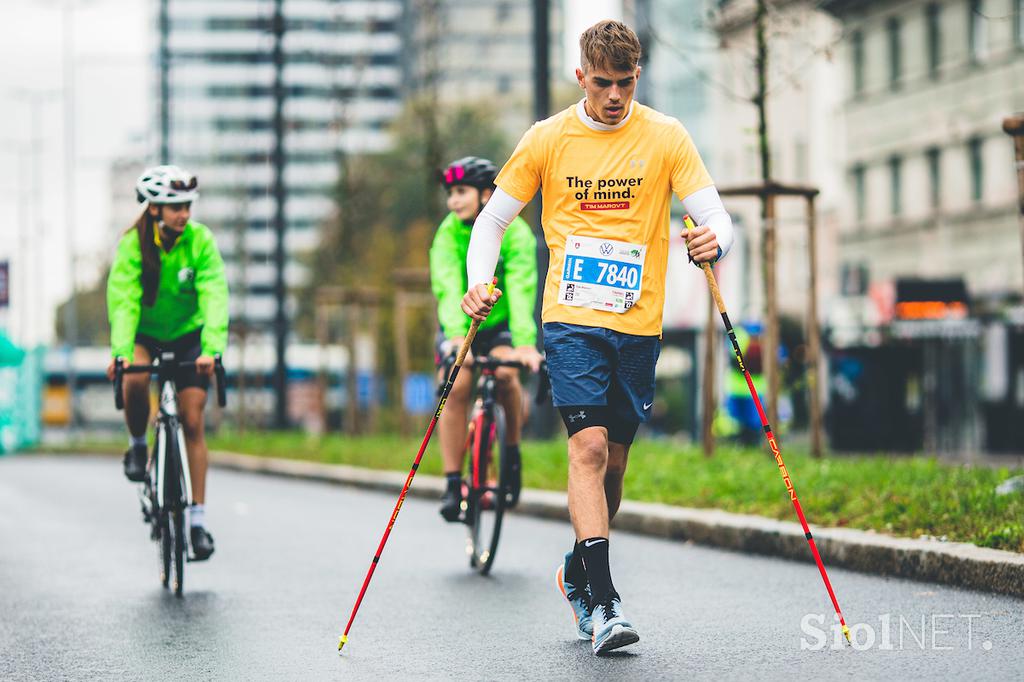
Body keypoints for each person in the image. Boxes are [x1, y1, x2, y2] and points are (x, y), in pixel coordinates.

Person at [460, 20, 735, 654]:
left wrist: (713, 238)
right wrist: (479, 282)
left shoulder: (666, 135)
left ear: (638, 76)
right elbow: (493, 220)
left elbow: (714, 213)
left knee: (613, 461)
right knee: (585, 448)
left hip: (638, 324)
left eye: (627, 82)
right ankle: (604, 603)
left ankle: (577, 569)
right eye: (604, 83)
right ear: (581, 76)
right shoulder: (547, 139)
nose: (616, 96)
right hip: (571, 319)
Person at [106, 164, 229, 561]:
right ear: (155, 209)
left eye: (187, 206)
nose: (184, 214)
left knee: (192, 420)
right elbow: (123, 300)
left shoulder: (200, 241)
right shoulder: (132, 245)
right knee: (136, 381)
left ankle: (197, 523)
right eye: (175, 206)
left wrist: (212, 348)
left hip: (190, 337)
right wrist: (121, 352)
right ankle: (139, 445)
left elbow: (214, 293)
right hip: (145, 335)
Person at [430, 156, 543, 521]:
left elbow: (525, 289)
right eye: (450, 194)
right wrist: (452, 338)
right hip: (459, 326)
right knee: (456, 383)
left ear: (485, 194)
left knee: (507, 375)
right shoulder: (447, 234)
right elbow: (447, 289)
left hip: (502, 324)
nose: (453, 201)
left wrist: (526, 343)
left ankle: (511, 458)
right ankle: (451, 482)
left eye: (460, 192)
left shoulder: (516, 232)